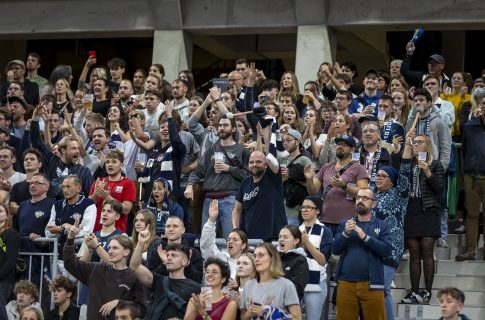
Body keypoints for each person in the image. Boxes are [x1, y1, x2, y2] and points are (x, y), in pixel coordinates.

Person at [64, 220, 147, 320]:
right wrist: (70, 238)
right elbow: (70, 264)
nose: (110, 251)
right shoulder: (95, 268)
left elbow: (142, 309)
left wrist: (120, 302)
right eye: (109, 248)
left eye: (115, 248)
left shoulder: (133, 276)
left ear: (126, 252)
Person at [332, 188, 392, 320]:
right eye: (358, 198)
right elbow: (335, 250)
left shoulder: (382, 226)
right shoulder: (345, 224)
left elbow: (387, 251)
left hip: (372, 284)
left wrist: (365, 238)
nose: (360, 201)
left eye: (365, 198)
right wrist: (345, 233)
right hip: (346, 282)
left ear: (373, 204)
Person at [186, 116, 249, 239]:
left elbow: (248, 175)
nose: (221, 128)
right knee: (206, 240)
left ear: (234, 128)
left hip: (230, 199)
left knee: (229, 240)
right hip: (209, 200)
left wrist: (229, 168)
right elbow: (197, 171)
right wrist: (189, 185)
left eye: (225, 125)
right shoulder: (210, 150)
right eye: (220, 125)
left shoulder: (241, 150)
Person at [373, 129, 413, 320]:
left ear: (393, 181)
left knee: (384, 291)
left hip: (389, 249)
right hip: (370, 247)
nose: (378, 178)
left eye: (383, 176)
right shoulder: (373, 196)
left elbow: (405, 168)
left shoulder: (400, 194)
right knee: (371, 292)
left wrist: (407, 146)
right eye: (377, 175)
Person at [401, 134, 444, 305]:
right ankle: (414, 292)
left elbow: (439, 189)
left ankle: (427, 291)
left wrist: (427, 171)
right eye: (414, 142)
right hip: (411, 209)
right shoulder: (408, 163)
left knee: (427, 250)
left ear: (428, 145)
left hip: (428, 209)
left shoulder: (435, 164)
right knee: (413, 252)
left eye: (420, 142)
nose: (416, 145)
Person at [305, 134, 369, 236]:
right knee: (322, 251)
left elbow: (364, 193)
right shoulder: (326, 167)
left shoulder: (359, 168)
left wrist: (344, 186)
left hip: (347, 222)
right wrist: (309, 179)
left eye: (344, 145)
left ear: (352, 149)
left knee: (341, 252)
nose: (340, 146)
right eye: (338, 144)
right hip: (324, 220)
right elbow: (313, 191)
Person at [130, 228, 201, 320]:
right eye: (167, 255)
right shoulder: (158, 281)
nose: (169, 258)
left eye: (174, 255)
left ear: (184, 261)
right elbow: (134, 267)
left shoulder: (196, 288)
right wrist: (140, 243)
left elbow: (204, 314)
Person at [232, 124, 287, 241]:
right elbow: (237, 209)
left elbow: (270, 156)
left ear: (266, 164)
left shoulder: (272, 176)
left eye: (258, 162)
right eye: (251, 162)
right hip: (250, 237)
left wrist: (266, 134)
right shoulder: (245, 182)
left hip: (273, 236)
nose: (254, 164)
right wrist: (236, 229)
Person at [455, 91, 485, 261]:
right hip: (472, 176)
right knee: (471, 215)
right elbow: (464, 152)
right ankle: (470, 250)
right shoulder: (470, 127)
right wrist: (466, 170)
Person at [240, 243, 301, 320]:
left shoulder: (286, 285)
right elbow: (242, 317)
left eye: (261, 255)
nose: (256, 259)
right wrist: (249, 314)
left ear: (272, 258)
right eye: (255, 256)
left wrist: (268, 311)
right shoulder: (248, 285)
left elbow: (297, 318)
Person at [45, 174, 97, 262]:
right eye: (63, 187)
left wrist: (60, 229)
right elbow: (48, 233)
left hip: (76, 257)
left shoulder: (88, 204)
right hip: (56, 257)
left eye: (68, 187)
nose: (65, 190)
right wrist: (65, 228)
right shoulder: (57, 205)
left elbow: (86, 233)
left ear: (78, 188)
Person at [299, 196, 333, 320]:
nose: (304, 210)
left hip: (316, 283)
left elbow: (323, 260)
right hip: (296, 282)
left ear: (317, 211)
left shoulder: (325, 231)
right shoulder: (295, 230)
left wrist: (307, 243)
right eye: (303, 207)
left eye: (308, 207)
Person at [89, 149, 136, 233]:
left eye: (114, 162)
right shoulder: (98, 182)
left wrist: (108, 197)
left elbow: (126, 209)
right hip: (96, 231)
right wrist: (95, 194)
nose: (110, 164)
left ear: (121, 165)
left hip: (117, 233)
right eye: (107, 162)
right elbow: (88, 206)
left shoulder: (128, 184)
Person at [145, 216, 203, 283]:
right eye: (168, 226)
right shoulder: (156, 251)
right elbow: (149, 280)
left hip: (186, 292)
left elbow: (198, 280)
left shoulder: (193, 253)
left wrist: (187, 265)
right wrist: (164, 264)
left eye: (175, 226)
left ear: (183, 230)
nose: (171, 229)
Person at [200, 199, 248, 278]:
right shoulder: (221, 259)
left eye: (235, 240)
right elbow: (207, 246)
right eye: (228, 239)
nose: (230, 242)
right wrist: (211, 221)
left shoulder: (250, 262)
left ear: (243, 245)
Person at [280, 129, 311, 226]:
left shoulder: (305, 160)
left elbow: (312, 185)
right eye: (283, 141)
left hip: (296, 211)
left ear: (297, 141)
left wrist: (292, 175)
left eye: (288, 140)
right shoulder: (282, 160)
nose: (285, 143)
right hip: (282, 210)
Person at [277, 225, 309, 301]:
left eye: (285, 237)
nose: (281, 239)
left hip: (288, 306)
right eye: (280, 237)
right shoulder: (273, 257)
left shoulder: (300, 261)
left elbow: (297, 288)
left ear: (296, 241)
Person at [0, 204, 19, 314]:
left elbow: (11, 261)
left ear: (7, 215)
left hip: (4, 281)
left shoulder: (11, 234)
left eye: (0, 211)